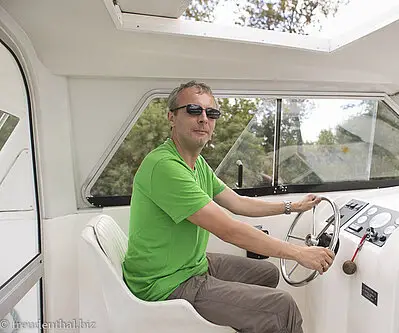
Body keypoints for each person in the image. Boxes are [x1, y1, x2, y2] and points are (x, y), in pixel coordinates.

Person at [122, 81, 335, 333]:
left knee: (267, 273)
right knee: (281, 307)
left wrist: (293, 206)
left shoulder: (197, 164)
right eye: (193, 110)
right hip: (164, 283)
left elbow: (237, 203)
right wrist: (299, 253)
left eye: (211, 113)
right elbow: (229, 230)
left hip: (191, 265)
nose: (204, 119)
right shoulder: (164, 167)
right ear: (172, 117)